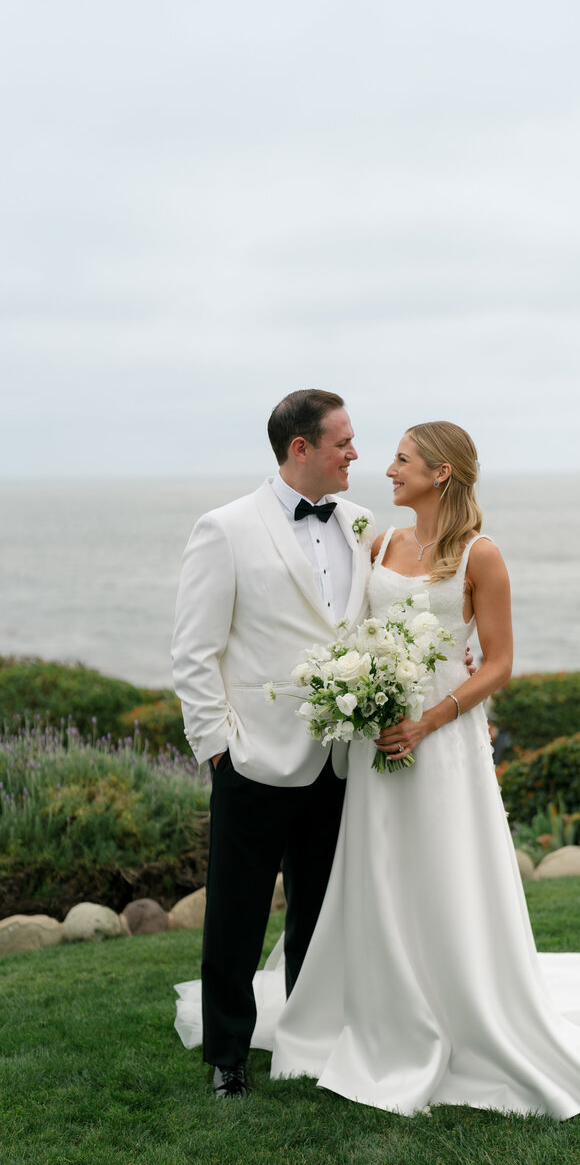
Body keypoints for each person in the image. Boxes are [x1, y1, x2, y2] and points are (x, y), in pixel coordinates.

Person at [176, 420, 580, 1118]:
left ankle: (456, 1010)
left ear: (442, 474)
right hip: (361, 748)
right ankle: (329, 1024)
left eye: (400, 459)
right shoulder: (376, 537)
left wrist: (427, 718)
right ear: (302, 446)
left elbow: (499, 662)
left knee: (441, 877)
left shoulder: (480, 556)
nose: (379, 466)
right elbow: (331, 628)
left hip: (439, 742)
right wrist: (239, 734)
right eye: (358, 447)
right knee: (367, 881)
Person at [171, 389, 374, 1098]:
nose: (356, 454)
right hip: (253, 757)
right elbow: (194, 651)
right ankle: (228, 1056)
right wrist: (217, 746)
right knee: (237, 912)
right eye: (344, 442)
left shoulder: (359, 523)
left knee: (321, 912)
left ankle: (312, 1039)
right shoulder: (223, 529)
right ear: (301, 449)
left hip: (339, 757)